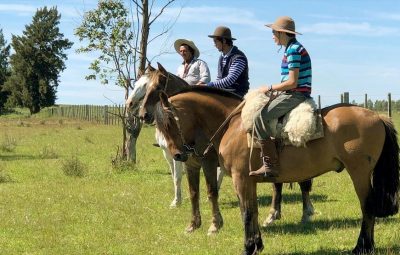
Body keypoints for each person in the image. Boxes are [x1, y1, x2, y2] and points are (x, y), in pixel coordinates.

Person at [249, 16, 312, 177]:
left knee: (258, 117)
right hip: (293, 92)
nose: (272, 36)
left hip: (296, 94)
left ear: (282, 33)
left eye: (273, 32)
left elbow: (292, 82)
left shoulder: (292, 51)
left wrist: (269, 88)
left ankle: (270, 165)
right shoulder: (293, 48)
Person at [199, 26, 249, 97]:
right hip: (225, 92)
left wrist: (209, 85)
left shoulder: (239, 57)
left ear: (224, 41)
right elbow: (219, 78)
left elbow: (230, 79)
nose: (214, 45)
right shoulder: (222, 57)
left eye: (216, 41)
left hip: (238, 93)